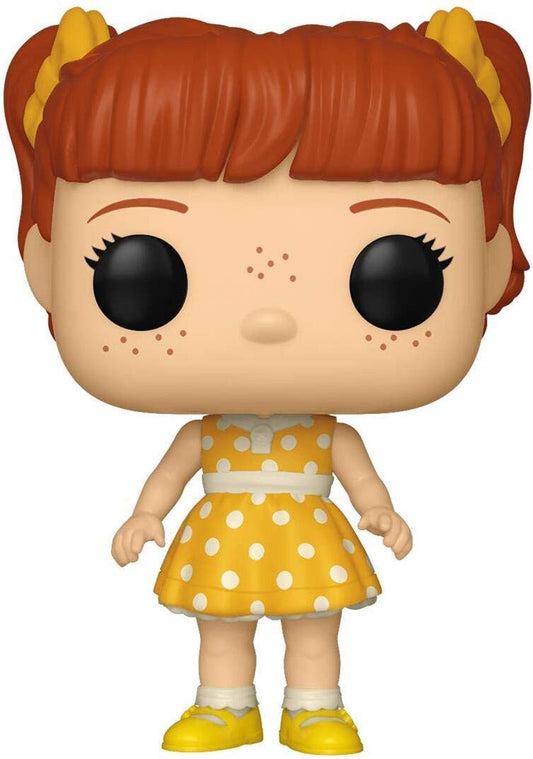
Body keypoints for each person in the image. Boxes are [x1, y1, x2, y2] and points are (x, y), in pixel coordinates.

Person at [4, 5, 529, 754]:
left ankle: (315, 708)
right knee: (220, 634)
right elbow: (169, 476)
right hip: (222, 538)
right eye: (142, 276)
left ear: (490, 260)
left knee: (315, 633)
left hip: (309, 537)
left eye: (396, 274)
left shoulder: (328, 435)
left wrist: (380, 510)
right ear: (43, 263)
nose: (268, 321)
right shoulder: (205, 434)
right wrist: (144, 514)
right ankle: (226, 708)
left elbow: (361, 480)